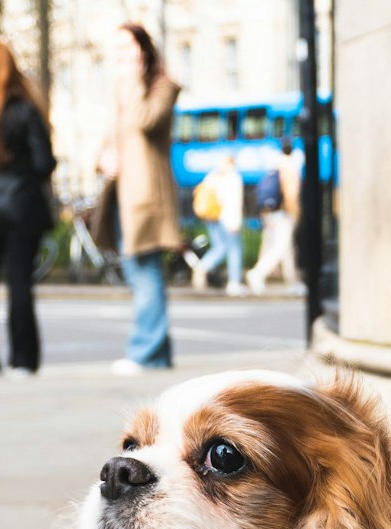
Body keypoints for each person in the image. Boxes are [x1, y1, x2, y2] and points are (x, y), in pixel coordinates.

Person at [95, 24, 179, 374]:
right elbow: (110, 136)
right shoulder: (121, 91)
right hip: (121, 196)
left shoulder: (163, 88)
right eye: (117, 50)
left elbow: (146, 121)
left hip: (146, 197)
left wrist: (132, 81)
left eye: (126, 49)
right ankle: (158, 354)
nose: (120, 58)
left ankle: (145, 352)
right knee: (138, 271)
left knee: (146, 272)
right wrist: (103, 158)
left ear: (144, 51)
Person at [0, 35, 55, 379]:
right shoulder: (25, 110)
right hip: (21, 207)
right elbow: (44, 163)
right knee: (20, 282)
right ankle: (23, 359)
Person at [246, 139, 301, 293]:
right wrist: (295, 213)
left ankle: (292, 282)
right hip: (283, 214)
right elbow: (291, 193)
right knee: (281, 247)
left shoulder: (274, 166)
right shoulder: (289, 167)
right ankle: (258, 273)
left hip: (270, 213)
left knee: (286, 247)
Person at [191, 155, 246, 296]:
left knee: (220, 247)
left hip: (212, 218)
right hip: (227, 218)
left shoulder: (212, 176)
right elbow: (234, 202)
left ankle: (203, 266)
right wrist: (235, 221)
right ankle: (234, 282)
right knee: (234, 250)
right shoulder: (233, 177)